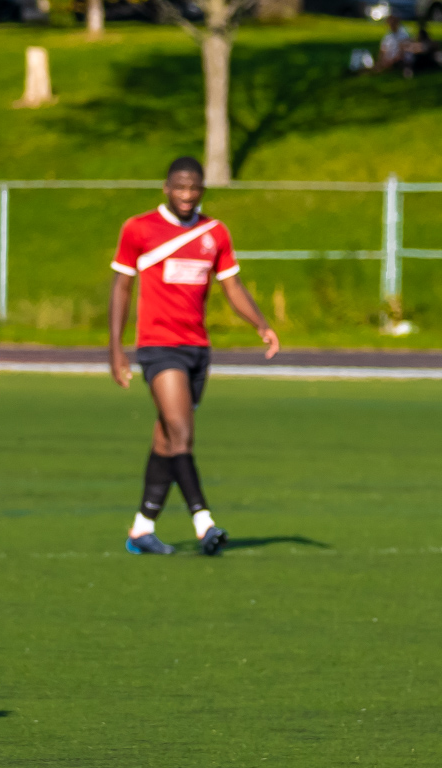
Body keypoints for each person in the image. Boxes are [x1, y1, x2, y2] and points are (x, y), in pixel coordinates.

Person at [108, 156, 279, 557]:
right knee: (182, 433)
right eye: (179, 187)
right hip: (157, 346)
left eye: (194, 188)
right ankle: (205, 524)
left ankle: (141, 529)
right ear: (166, 188)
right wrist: (115, 349)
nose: (186, 195)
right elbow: (120, 288)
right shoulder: (139, 229)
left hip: (197, 349)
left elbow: (232, 286)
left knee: (168, 438)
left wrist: (261, 324)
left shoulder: (214, 232)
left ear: (202, 190)